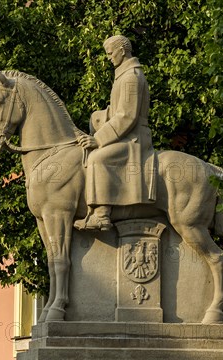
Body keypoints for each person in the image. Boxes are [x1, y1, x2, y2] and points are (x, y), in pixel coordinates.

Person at [75, 35, 156, 231]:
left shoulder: (131, 77)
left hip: (133, 137)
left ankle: (102, 215)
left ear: (122, 50)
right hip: (125, 134)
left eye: (111, 53)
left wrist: (98, 139)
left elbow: (127, 116)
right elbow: (117, 111)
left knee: (98, 158)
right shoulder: (123, 75)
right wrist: (99, 116)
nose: (109, 57)